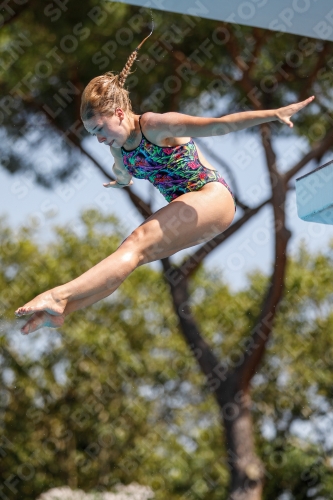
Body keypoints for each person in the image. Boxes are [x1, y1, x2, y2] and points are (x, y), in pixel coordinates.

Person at [15, 34, 315, 334]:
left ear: (119, 114)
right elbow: (123, 172)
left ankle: (58, 295)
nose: (98, 138)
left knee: (135, 243)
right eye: (93, 133)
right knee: (130, 256)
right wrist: (119, 181)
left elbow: (220, 125)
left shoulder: (156, 125)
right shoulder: (118, 149)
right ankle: (63, 310)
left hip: (211, 195)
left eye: (100, 129)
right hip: (190, 208)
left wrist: (273, 114)